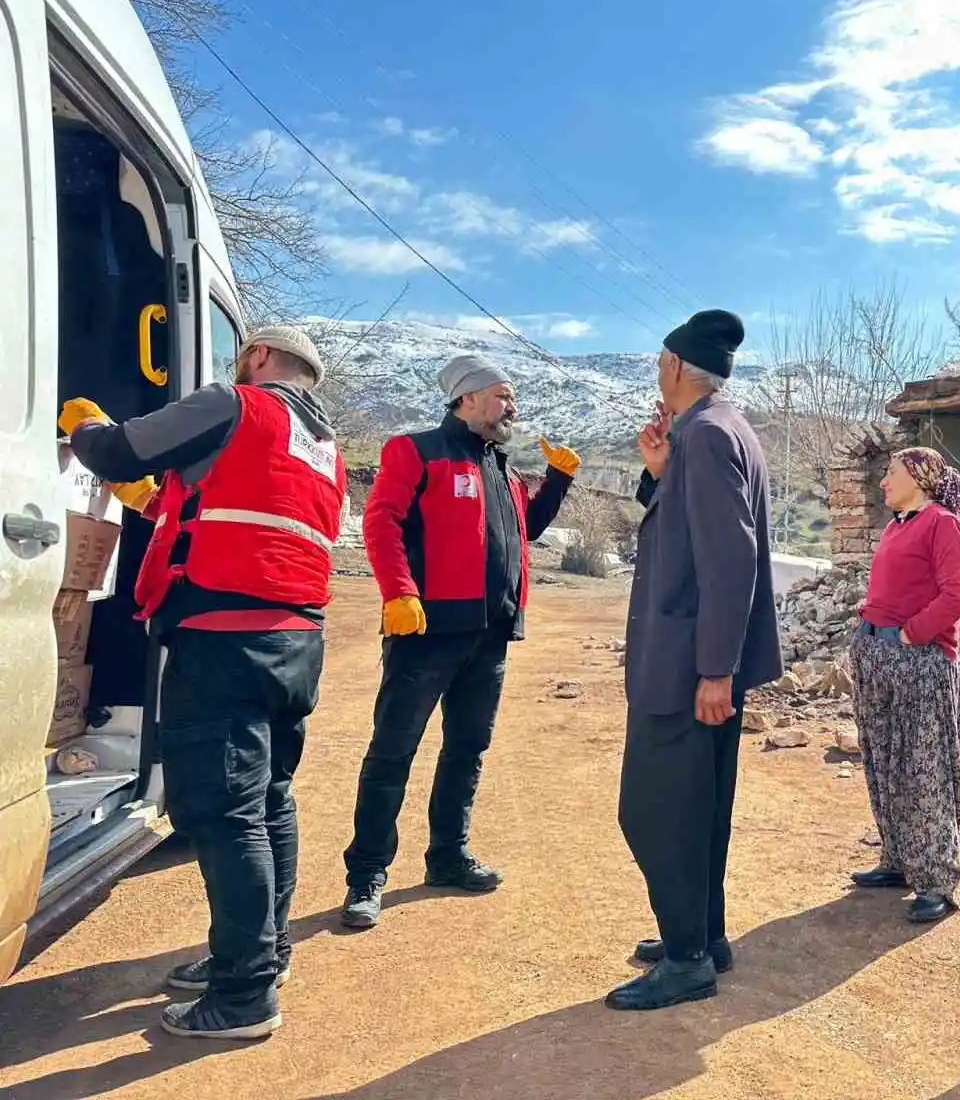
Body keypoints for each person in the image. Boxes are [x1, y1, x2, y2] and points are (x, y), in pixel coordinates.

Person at [61, 326, 347, 1041]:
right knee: (270, 800)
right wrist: (153, 502)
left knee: (227, 816)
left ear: (255, 358)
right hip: (294, 641)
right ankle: (259, 956)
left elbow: (119, 449)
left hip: (224, 642)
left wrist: (86, 424)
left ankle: (245, 996)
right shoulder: (323, 445)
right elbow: (236, 517)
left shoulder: (236, 403)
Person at [342, 355, 581, 928]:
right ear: (466, 399)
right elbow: (381, 522)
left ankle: (447, 856)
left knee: (467, 749)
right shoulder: (417, 450)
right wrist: (399, 591)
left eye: (513, 398)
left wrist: (558, 483)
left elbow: (527, 532)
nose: (512, 407)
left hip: (491, 635)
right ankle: (367, 875)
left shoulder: (504, 470)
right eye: (502, 396)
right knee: (393, 753)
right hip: (426, 632)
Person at [609, 309, 782, 1011]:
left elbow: (729, 557)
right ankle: (703, 935)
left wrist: (715, 669)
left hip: (686, 668)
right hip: (697, 662)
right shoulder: (717, 432)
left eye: (659, 363)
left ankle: (685, 960)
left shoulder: (707, 436)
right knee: (700, 804)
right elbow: (693, 527)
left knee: (655, 811)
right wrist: (657, 475)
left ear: (678, 367)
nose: (657, 372)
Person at [848, 446, 960, 923]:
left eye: (891, 472)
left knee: (924, 767)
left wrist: (911, 633)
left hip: (918, 659)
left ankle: (936, 881)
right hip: (877, 653)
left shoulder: (942, 523)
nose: (883, 482)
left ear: (918, 476)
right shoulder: (898, 524)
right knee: (884, 761)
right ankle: (898, 860)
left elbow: (958, 595)